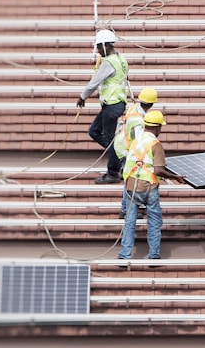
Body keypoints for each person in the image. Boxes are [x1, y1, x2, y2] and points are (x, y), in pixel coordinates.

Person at [119, 111, 185, 260]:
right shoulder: (156, 144)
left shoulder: (136, 141)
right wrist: (176, 177)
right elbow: (159, 170)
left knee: (129, 223)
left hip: (131, 186)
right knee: (154, 222)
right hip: (149, 187)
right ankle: (153, 255)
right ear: (157, 128)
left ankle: (124, 255)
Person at [77, 29, 129, 184]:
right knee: (94, 131)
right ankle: (120, 156)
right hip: (114, 104)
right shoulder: (121, 58)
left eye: (99, 47)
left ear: (106, 45)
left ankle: (113, 172)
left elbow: (95, 82)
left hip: (112, 105)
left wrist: (82, 97)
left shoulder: (108, 62)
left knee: (109, 139)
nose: (98, 51)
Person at [115, 87, 158, 219]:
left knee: (130, 176)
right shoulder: (138, 122)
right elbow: (140, 142)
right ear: (151, 104)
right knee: (130, 177)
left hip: (123, 144)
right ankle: (125, 209)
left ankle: (126, 208)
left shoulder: (134, 108)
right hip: (126, 148)